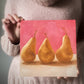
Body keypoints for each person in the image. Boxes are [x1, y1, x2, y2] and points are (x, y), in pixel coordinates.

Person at [1, 0, 84, 84]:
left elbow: (81, 38)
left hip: (66, 80)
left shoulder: (78, 1)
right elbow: (9, 51)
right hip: (26, 80)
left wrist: (78, 58)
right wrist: (14, 38)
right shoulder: (14, 1)